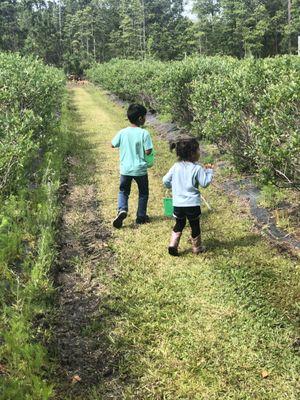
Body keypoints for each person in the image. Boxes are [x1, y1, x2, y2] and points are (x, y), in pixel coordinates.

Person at [162, 138, 213, 256]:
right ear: (191, 154)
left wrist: (172, 186)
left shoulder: (176, 166)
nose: (200, 153)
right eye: (198, 150)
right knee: (194, 225)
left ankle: (173, 245)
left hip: (178, 204)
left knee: (179, 224)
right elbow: (204, 183)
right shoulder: (197, 168)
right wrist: (209, 172)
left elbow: (165, 180)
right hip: (192, 204)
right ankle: (197, 247)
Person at [111, 104, 153, 228]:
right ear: (140, 118)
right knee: (143, 193)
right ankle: (141, 217)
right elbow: (148, 151)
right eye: (145, 117)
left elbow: (113, 144)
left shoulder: (122, 132)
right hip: (140, 170)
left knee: (123, 191)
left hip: (126, 169)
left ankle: (122, 209)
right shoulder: (144, 133)